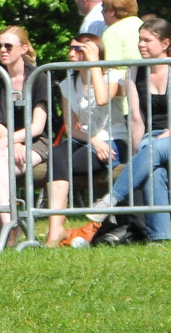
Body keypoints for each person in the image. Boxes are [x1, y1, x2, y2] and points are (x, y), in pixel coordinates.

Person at [90, 18, 171, 243]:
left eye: (147, 40)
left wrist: (160, 141)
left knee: (154, 150)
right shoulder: (135, 69)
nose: (141, 44)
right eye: (139, 40)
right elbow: (136, 119)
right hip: (151, 143)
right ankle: (160, 239)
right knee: (153, 170)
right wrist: (139, 156)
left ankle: (111, 200)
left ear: (165, 43)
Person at [45, 34, 128, 246]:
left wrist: (94, 65)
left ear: (94, 52)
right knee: (56, 155)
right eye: (71, 48)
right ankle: (55, 228)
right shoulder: (67, 84)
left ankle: (62, 227)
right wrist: (93, 140)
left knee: (70, 162)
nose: (72, 53)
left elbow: (101, 100)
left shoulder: (113, 76)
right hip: (88, 140)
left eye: (79, 49)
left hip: (114, 139)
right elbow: (72, 129)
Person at [0, 26, 51, 243]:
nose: (2, 50)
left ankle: (4, 228)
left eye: (8, 46)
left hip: (38, 143)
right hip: (9, 143)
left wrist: (13, 142)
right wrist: (13, 143)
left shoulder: (39, 77)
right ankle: (9, 223)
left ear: (23, 49)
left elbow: (38, 127)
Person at [99, 0, 143, 64]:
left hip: (124, 76)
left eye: (103, 8)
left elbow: (111, 67)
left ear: (112, 11)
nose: (101, 12)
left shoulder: (112, 32)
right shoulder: (143, 25)